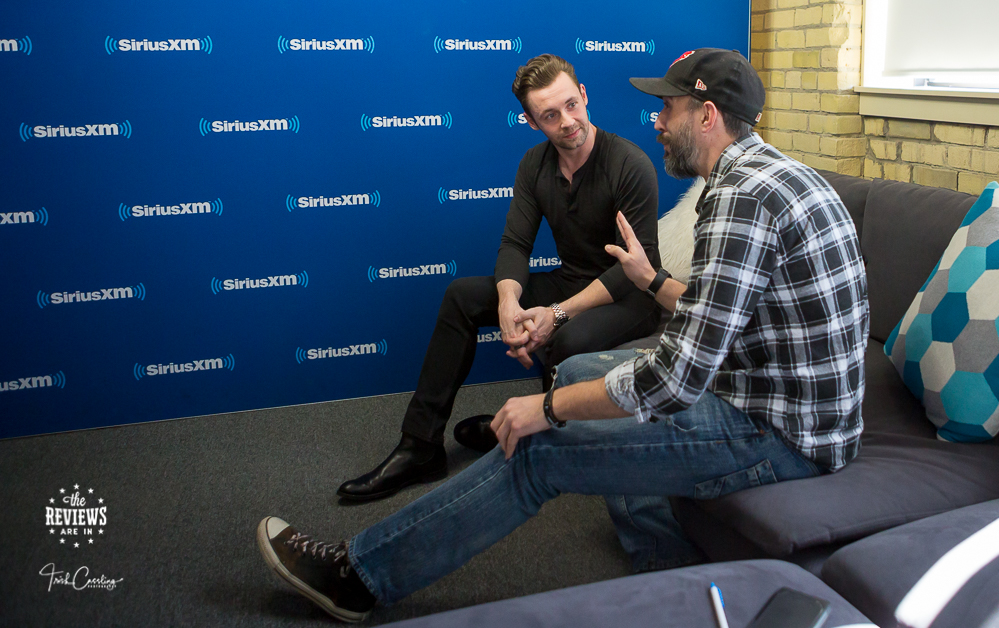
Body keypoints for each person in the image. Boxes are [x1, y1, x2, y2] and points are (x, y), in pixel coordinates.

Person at [256, 48, 869, 622]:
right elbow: (722, 309)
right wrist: (650, 280)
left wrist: (545, 407)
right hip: (770, 397)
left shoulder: (740, 200)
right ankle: (667, 576)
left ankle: (359, 575)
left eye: (668, 109)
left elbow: (674, 382)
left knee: (542, 450)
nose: (657, 122)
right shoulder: (769, 176)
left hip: (784, 435)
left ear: (707, 116)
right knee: (582, 377)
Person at [336, 53, 662, 502]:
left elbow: (633, 271)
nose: (567, 122)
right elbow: (514, 245)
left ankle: (538, 438)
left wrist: (557, 314)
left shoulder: (630, 163)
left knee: (564, 340)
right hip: (571, 280)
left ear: (584, 96)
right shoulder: (534, 163)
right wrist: (509, 304)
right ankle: (420, 447)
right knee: (462, 295)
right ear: (531, 121)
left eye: (571, 104)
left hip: (630, 295)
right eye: (550, 115)